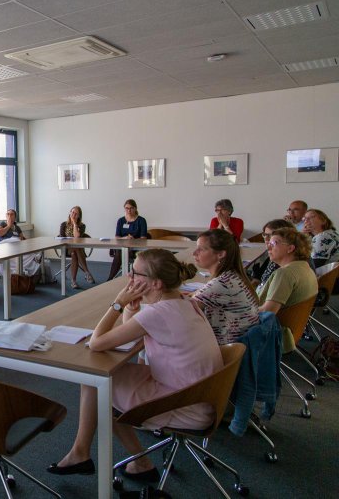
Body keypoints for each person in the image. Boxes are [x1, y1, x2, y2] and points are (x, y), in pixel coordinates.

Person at [47, 249, 219, 481]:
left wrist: (118, 304)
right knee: (99, 381)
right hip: (200, 395)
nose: (129, 277)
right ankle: (125, 460)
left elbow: (96, 343)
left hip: (183, 404)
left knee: (96, 382)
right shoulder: (183, 302)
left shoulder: (158, 314)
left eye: (135, 273)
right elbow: (132, 333)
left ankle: (87, 454)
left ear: (156, 283)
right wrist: (132, 308)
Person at [192, 229, 259, 344]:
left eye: (201, 249)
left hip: (226, 350)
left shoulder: (221, 284)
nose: (194, 253)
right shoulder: (233, 276)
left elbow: (181, 312)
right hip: (242, 345)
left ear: (221, 254)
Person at [257, 228, 318, 315]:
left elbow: (268, 312)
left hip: (275, 322)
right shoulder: (305, 267)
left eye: (274, 243)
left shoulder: (284, 273)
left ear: (290, 248)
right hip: (297, 320)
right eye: (269, 243)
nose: (268, 247)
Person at [248, 219, 295, 291]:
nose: (266, 239)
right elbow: (258, 278)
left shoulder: (285, 266)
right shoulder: (274, 255)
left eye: (271, 235)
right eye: (265, 235)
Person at [107, 199, 148, 281]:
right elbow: (117, 237)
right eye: (127, 208)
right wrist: (124, 238)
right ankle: (111, 279)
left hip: (136, 248)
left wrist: (133, 239)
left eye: (131, 208)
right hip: (122, 246)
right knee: (121, 251)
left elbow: (144, 238)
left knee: (120, 252)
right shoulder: (121, 220)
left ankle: (110, 279)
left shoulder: (141, 220)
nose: (129, 210)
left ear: (135, 208)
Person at [57, 206, 95, 288]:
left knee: (74, 252)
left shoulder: (82, 226)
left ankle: (73, 281)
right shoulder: (64, 224)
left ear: (79, 216)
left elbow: (77, 237)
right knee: (76, 248)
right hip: (67, 248)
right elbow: (62, 239)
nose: (73, 214)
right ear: (70, 213)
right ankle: (87, 272)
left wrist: (74, 223)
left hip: (77, 249)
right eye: (72, 212)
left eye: (76, 213)